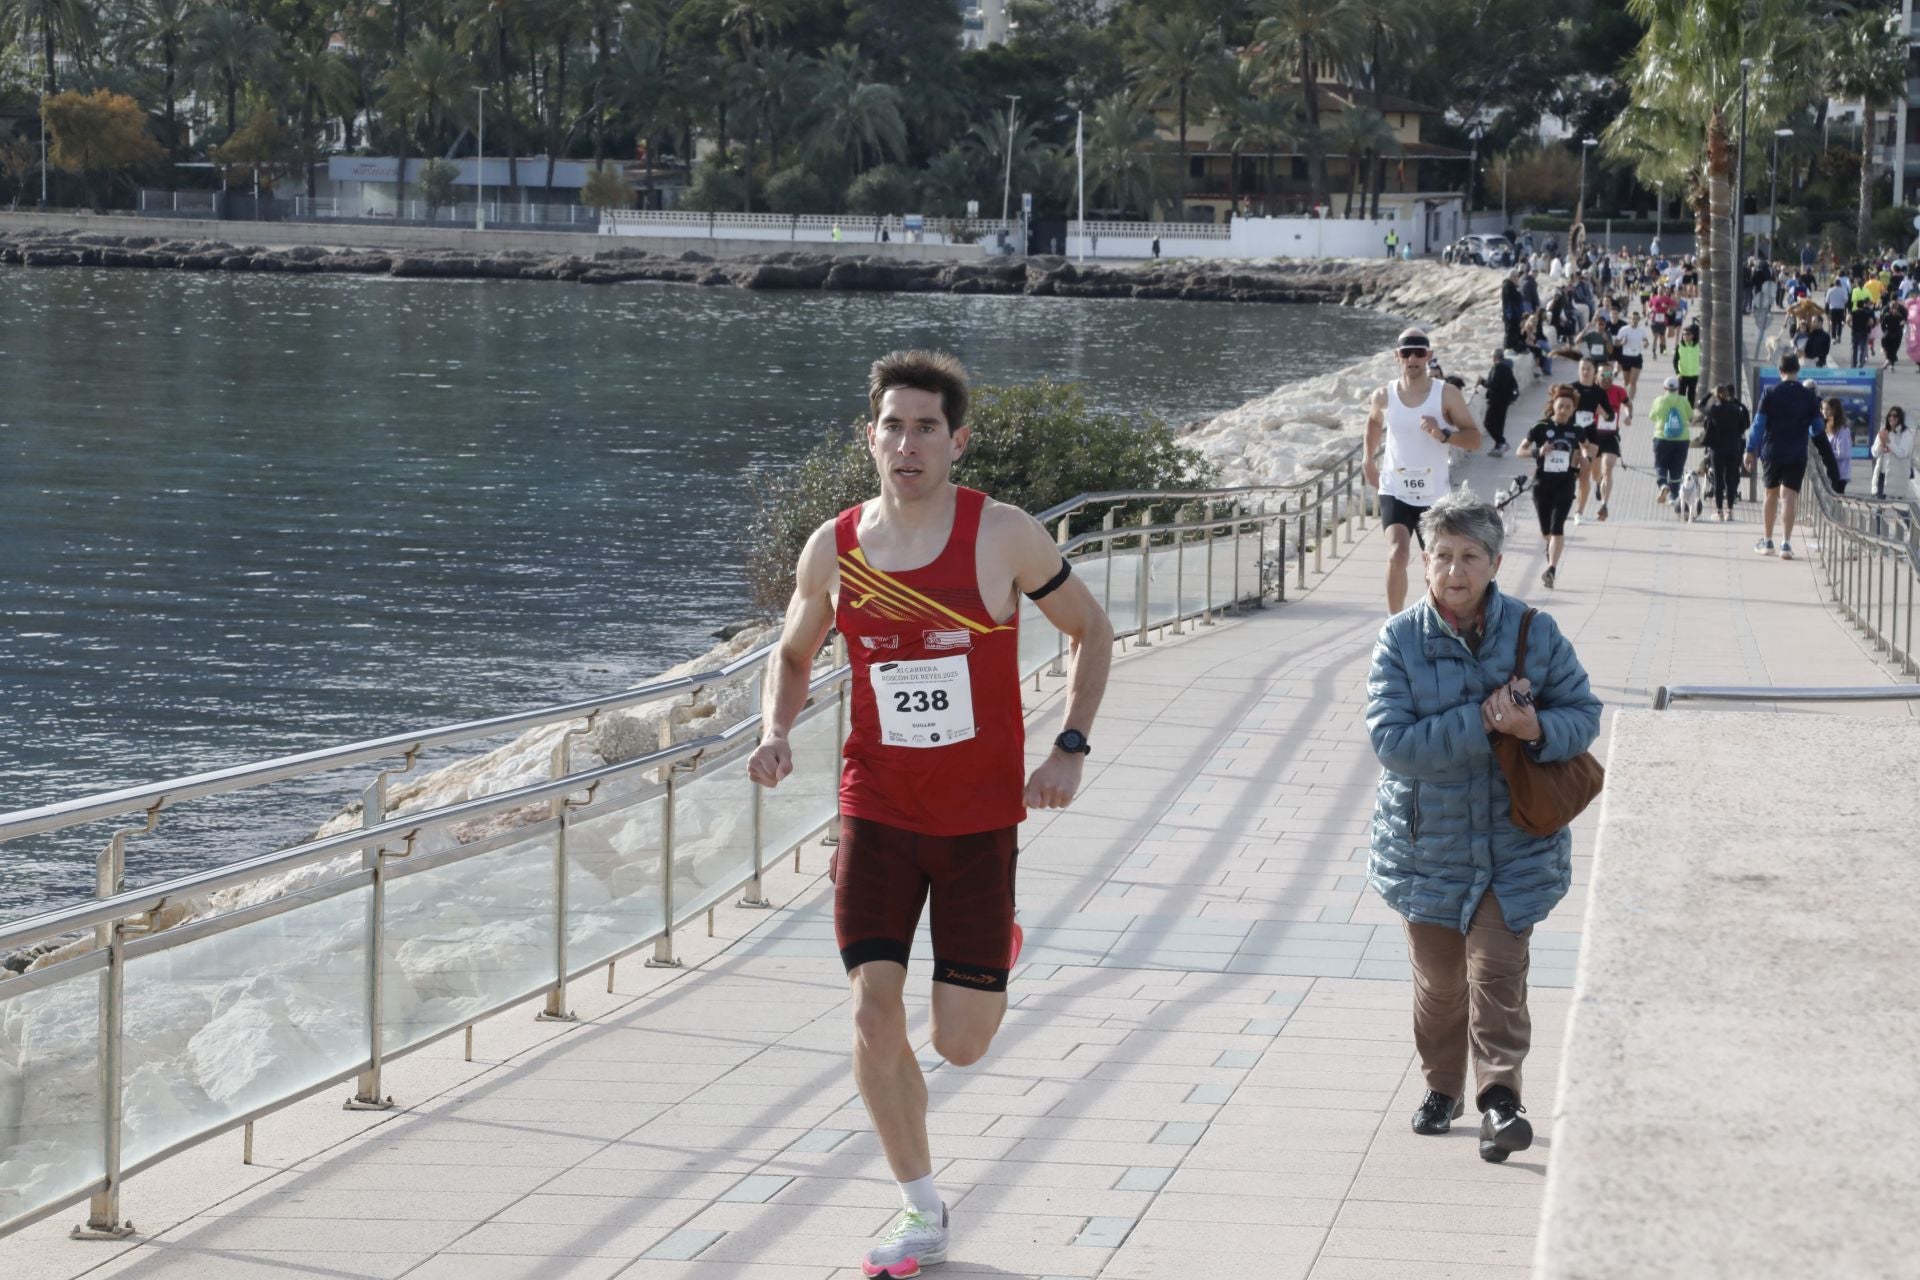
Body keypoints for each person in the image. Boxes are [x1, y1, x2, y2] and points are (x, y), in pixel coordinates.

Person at [747, 350, 1115, 1278]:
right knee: (873, 1019)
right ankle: (920, 1209)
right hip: (874, 815)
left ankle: (995, 953)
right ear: (868, 436)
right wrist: (777, 728)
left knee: (958, 1045)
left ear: (956, 440)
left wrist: (1067, 747)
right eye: (892, 425)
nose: (906, 443)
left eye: (925, 427)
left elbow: (1092, 629)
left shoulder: (1002, 535)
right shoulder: (835, 545)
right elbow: (793, 652)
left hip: (979, 823)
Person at [1365, 490, 1602, 1163]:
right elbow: (1392, 742)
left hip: (1514, 843)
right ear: (1425, 561)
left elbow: (1581, 715)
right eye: (1441, 556)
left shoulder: (1536, 632)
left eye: (1470, 556)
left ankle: (1501, 1101)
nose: (1454, 570)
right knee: (1441, 986)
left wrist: (1537, 729)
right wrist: (1485, 722)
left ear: (1496, 562)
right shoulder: (1401, 639)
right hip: (1427, 846)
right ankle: (1442, 1088)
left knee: (1498, 971)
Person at [1364, 327, 1485, 613]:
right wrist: (1367, 459)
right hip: (1395, 488)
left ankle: (1438, 619)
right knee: (1397, 553)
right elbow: (1372, 423)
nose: (1413, 358)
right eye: (1407, 352)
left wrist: (1444, 434)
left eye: (1420, 352)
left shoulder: (1447, 395)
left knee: (1435, 562)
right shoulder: (1384, 395)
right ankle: (1395, 625)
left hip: (1435, 494)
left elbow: (1475, 439)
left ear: (1429, 356)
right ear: (1397, 356)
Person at [1744, 351, 1822, 559]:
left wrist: (1750, 449)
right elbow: (1817, 429)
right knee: (1789, 498)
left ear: (1780, 371)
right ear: (1798, 370)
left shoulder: (1770, 393)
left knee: (1771, 494)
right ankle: (1786, 544)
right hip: (1797, 453)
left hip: (1772, 451)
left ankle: (1768, 541)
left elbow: (1759, 425)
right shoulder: (1808, 396)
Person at [1517, 385, 1588, 587]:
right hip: (1542, 484)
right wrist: (1538, 451)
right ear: (1553, 406)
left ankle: (1551, 569)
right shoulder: (1540, 427)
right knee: (1546, 529)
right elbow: (1519, 451)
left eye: (1568, 407)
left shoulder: (1576, 430)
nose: (1564, 410)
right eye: (1561, 406)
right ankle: (1549, 545)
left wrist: (1585, 458)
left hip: (1565, 483)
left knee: (1558, 527)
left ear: (1573, 409)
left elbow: (1585, 447)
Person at [1570, 359, 1620, 523]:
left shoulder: (1599, 392)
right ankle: (1569, 493)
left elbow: (1611, 415)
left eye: (1588, 369)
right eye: (1582, 369)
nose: (1585, 372)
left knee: (1586, 472)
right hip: (1572, 435)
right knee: (1571, 474)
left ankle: (1579, 512)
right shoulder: (1572, 388)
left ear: (1594, 373)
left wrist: (1603, 413)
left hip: (1591, 436)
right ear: (1579, 370)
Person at [1702, 383, 1751, 521]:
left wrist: (1709, 395)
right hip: (1733, 447)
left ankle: (1719, 512)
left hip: (1717, 448)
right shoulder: (1737, 409)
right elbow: (1743, 427)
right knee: (1730, 479)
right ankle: (1730, 511)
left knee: (1718, 480)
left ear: (1717, 395)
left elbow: (1701, 406)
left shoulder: (1714, 409)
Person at [1647, 375, 1694, 506]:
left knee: (1660, 465)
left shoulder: (1659, 400)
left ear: (1664, 388)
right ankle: (1674, 496)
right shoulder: (1684, 400)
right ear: (1678, 389)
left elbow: (1652, 416)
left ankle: (1662, 485)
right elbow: (1691, 416)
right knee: (1677, 467)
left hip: (1662, 438)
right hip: (1682, 439)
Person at [1478, 346, 1521, 458]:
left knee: (1488, 423)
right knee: (1499, 424)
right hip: (1505, 400)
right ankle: (1498, 447)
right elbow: (1514, 384)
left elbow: (1493, 384)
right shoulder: (1508, 368)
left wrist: (1482, 382)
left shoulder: (1498, 367)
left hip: (1496, 400)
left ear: (1494, 357)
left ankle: (1502, 442)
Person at [1871, 405, 1915, 501]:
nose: (1892, 418)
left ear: (1900, 418)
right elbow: (1874, 453)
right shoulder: (1884, 431)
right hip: (1882, 474)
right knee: (1879, 506)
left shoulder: (1906, 434)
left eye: (1895, 416)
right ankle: (1878, 517)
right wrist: (1881, 445)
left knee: (1899, 506)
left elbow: (1902, 453)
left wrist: (1889, 442)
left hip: (1897, 476)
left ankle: (1910, 516)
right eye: (1890, 415)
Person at [1614, 309, 1651, 398]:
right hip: (1626, 357)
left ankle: (1630, 401)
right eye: (1633, 319)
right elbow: (1616, 342)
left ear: (1639, 320)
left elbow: (1646, 341)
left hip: (1637, 357)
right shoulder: (1624, 329)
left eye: (1637, 319)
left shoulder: (1641, 331)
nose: (1635, 321)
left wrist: (1646, 344)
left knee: (1633, 382)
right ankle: (1625, 397)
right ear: (1630, 319)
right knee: (1627, 382)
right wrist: (1622, 343)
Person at [1822, 398, 1853, 494]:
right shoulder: (1828, 426)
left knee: (1835, 503)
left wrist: (1825, 455)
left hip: (1840, 474)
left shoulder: (1842, 429)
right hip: (1830, 472)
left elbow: (1842, 453)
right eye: (1823, 409)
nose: (1824, 412)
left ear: (1834, 410)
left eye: (1827, 409)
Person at [1672, 323, 1703, 404]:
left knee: (1691, 396)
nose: (1686, 336)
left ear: (1693, 335)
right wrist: (1678, 373)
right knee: (1681, 396)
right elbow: (1675, 361)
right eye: (1684, 334)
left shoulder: (1698, 346)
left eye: (1688, 334)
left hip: (1694, 375)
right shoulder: (1680, 346)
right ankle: (1681, 412)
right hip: (1683, 376)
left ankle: (1690, 413)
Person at [1848, 296, 1877, 368]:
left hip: (1855, 332)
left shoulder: (1853, 312)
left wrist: (1851, 326)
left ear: (1857, 305)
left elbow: (1847, 320)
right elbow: (1871, 322)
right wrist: (1867, 326)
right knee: (1862, 349)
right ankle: (1861, 364)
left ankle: (1853, 364)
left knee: (1854, 348)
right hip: (1864, 332)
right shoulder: (1867, 313)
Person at [1882, 297, 1907, 369]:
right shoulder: (1898, 316)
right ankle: (1890, 363)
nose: (1895, 310)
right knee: (1891, 350)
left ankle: (1890, 363)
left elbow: (1883, 325)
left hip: (1893, 334)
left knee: (1892, 350)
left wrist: (1885, 331)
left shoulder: (1888, 315)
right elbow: (1883, 325)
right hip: (1894, 334)